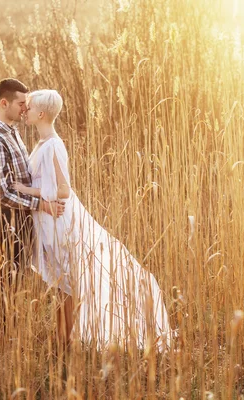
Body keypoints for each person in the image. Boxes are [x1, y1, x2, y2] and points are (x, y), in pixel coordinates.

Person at [13, 89, 171, 350]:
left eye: (28, 109)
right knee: (63, 283)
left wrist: (26, 190)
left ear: (40, 114)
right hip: (47, 218)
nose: (25, 112)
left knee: (68, 282)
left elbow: (64, 190)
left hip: (59, 221)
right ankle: (64, 341)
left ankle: (65, 342)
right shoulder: (42, 143)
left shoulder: (53, 145)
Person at [0, 78, 65, 339]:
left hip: (25, 217)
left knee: (17, 279)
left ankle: (11, 334)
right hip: (10, 220)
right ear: (3, 103)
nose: (24, 109)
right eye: (20, 104)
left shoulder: (12, 130)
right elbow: (1, 193)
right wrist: (41, 204)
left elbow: (24, 177)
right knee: (8, 278)